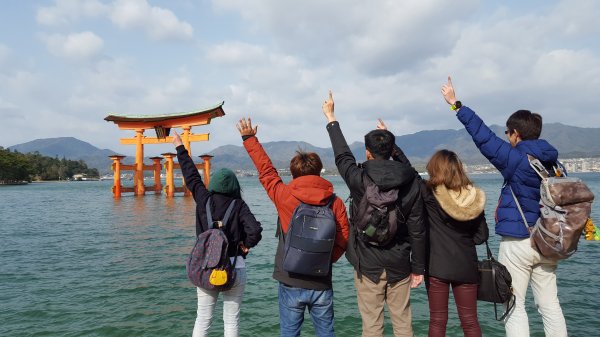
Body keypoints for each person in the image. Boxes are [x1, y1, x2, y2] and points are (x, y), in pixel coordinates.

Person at [441, 76, 567, 336]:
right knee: (550, 304)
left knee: (513, 302)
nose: (507, 137)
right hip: (551, 239)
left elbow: (483, 137)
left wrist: (457, 105)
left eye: (508, 133)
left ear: (516, 134)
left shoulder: (516, 159)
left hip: (520, 241)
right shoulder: (556, 165)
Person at [321, 91, 426, 337]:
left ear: (367, 152)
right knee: (403, 324)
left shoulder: (358, 179)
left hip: (367, 263)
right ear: (391, 151)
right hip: (400, 262)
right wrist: (418, 267)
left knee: (371, 325)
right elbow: (418, 228)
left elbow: (342, 156)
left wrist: (331, 117)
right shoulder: (411, 182)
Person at [236, 117, 350, 337]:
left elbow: (267, 172)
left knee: (289, 333)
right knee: (327, 333)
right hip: (321, 280)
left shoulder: (284, 196)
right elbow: (344, 237)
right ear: (319, 171)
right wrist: (324, 259)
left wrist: (249, 139)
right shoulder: (334, 202)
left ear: (294, 172)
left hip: (290, 278)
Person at [173, 131, 263, 337]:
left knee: (203, 318)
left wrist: (180, 147)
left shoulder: (203, 199)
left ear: (212, 184)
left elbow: (191, 176)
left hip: (206, 267)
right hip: (234, 267)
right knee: (231, 320)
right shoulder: (238, 205)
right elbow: (255, 231)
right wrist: (245, 245)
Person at [420, 149, 488, 337]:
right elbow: (481, 236)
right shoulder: (473, 197)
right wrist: (464, 240)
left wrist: (394, 149)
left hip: (437, 265)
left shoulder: (429, 194)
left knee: (437, 321)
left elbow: (410, 175)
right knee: (470, 321)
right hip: (466, 265)